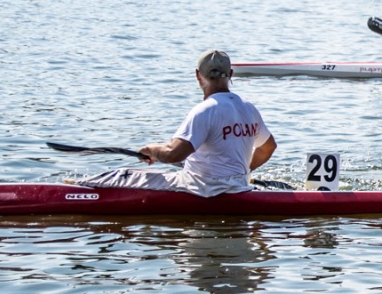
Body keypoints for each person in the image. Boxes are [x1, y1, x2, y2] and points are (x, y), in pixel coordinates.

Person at [81, 50, 276, 194]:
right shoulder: (248, 108)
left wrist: (150, 149)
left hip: (202, 189)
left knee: (123, 175)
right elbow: (268, 148)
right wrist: (240, 173)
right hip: (238, 186)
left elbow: (173, 154)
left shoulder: (205, 110)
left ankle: (74, 189)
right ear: (231, 74)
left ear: (198, 75)